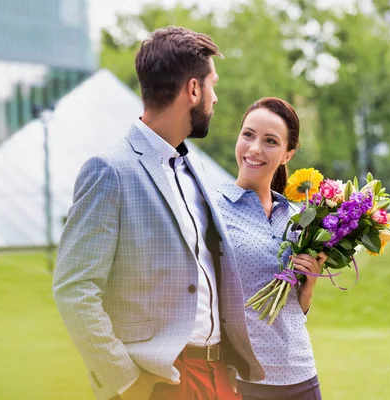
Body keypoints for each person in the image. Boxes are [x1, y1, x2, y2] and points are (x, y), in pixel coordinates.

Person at [53, 26, 264, 400]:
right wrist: (124, 381)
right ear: (193, 90)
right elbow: (74, 289)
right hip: (158, 381)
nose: (215, 97)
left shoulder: (192, 166)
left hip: (216, 375)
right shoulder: (109, 171)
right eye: (212, 85)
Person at [215, 97, 327, 400]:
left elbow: (295, 308)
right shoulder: (211, 208)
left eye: (270, 141)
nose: (254, 149)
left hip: (302, 373)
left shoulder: (297, 216)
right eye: (248, 135)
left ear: (287, 153)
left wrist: (309, 286)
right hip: (244, 379)